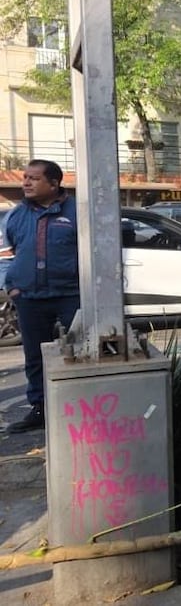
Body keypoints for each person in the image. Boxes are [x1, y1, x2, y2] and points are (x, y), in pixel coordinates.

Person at [2, 159, 81, 434]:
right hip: (30, 297)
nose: (25, 182)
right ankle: (41, 409)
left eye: (34, 178)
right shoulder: (16, 215)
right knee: (35, 356)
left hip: (71, 295)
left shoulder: (77, 212)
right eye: (25, 177)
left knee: (80, 351)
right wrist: (13, 288)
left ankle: (79, 406)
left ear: (54, 183)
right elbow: (10, 252)